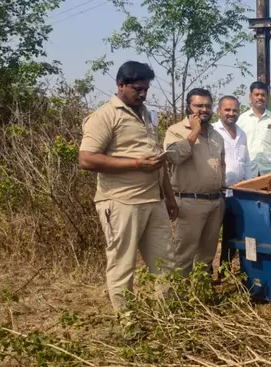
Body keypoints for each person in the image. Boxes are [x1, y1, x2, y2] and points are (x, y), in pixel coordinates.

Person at [78, 60, 178, 314]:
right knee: (123, 266)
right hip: (121, 201)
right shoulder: (104, 116)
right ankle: (129, 324)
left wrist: (169, 197)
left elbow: (157, 159)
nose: (143, 94)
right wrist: (135, 164)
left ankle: (167, 321)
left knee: (166, 263)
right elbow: (86, 159)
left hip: (153, 202)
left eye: (146, 89)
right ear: (120, 86)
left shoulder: (147, 115)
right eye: (137, 89)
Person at [163, 88, 226, 277]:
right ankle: (179, 300)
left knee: (207, 254)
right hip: (189, 203)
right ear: (189, 107)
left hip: (215, 202)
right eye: (199, 106)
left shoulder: (217, 135)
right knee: (183, 255)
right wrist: (195, 132)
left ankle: (201, 295)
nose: (204, 110)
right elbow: (173, 157)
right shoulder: (176, 131)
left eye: (207, 105)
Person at [211, 95, 254, 274]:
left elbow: (245, 162)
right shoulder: (213, 131)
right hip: (218, 192)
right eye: (227, 110)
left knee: (232, 233)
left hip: (238, 193)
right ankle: (206, 273)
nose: (231, 113)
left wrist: (251, 187)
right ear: (219, 111)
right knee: (211, 235)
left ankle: (224, 270)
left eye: (234, 110)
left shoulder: (242, 133)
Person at [236, 81, 271, 176]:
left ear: (267, 97)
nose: (259, 98)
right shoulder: (242, 119)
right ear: (250, 97)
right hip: (248, 171)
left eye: (263, 95)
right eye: (256, 94)